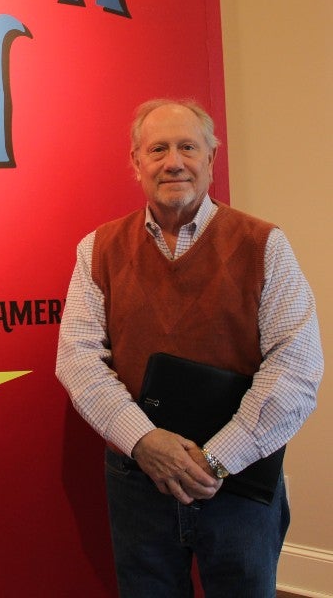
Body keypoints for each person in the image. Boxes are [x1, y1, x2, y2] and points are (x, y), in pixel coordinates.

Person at [55, 98, 324, 597]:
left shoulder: (264, 244)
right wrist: (145, 441)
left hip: (238, 481)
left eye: (187, 147)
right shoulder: (97, 249)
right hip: (138, 478)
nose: (173, 161)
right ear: (136, 163)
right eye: (157, 149)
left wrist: (216, 459)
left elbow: (297, 366)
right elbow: (77, 358)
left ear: (211, 160)